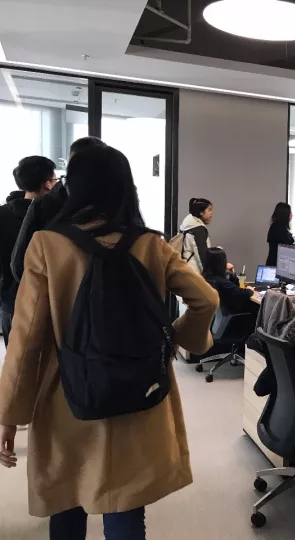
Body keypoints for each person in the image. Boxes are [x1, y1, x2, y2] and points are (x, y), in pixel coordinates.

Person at [0, 145, 219, 539]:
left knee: (66, 501)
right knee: (125, 508)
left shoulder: (47, 245)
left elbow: (26, 338)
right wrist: (184, 338)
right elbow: (207, 299)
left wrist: (10, 414)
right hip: (139, 391)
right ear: (125, 188)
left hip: (68, 396)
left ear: (72, 188)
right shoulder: (151, 244)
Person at [11, 136, 106, 283]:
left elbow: (20, 266)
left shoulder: (45, 203)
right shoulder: (117, 201)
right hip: (108, 291)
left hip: (59, 292)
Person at [0, 157, 57, 346]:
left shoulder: (3, 214)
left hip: (10, 301)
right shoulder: (55, 217)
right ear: (48, 184)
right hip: (46, 301)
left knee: (15, 358)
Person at [203, 246, 254, 314]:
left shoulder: (205, 278)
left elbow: (233, 287)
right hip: (230, 315)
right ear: (221, 262)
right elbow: (242, 293)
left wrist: (232, 273)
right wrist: (250, 290)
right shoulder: (221, 281)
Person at [179, 198, 213, 274]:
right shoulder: (198, 229)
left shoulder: (187, 227)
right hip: (195, 271)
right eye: (209, 210)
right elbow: (202, 255)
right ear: (201, 212)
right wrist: (208, 273)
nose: (211, 213)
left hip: (186, 267)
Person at [266, 202, 294, 266]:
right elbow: (287, 244)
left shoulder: (275, 227)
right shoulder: (279, 229)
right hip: (276, 265)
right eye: (290, 213)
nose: (292, 215)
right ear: (285, 214)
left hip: (276, 263)